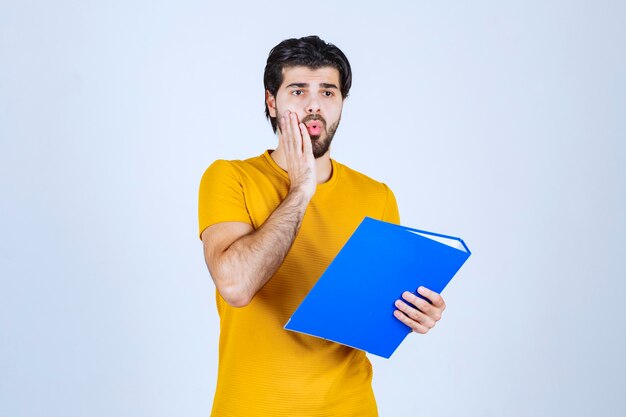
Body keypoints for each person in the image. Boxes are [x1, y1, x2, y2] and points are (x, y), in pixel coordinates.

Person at [198, 35, 447, 417]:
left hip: (349, 406)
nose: (314, 104)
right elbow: (235, 285)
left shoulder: (376, 196)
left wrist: (415, 311)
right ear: (271, 101)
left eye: (328, 92)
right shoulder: (230, 178)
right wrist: (301, 190)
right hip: (251, 406)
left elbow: (374, 312)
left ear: (342, 104)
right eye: (298, 90)